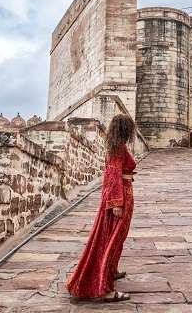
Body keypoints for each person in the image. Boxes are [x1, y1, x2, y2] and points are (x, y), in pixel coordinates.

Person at [66, 114, 137, 302]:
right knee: (110, 241)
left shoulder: (116, 147)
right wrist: (116, 203)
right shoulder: (117, 150)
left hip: (121, 196)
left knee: (115, 239)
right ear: (124, 130)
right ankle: (104, 289)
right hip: (118, 199)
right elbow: (113, 177)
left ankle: (111, 271)